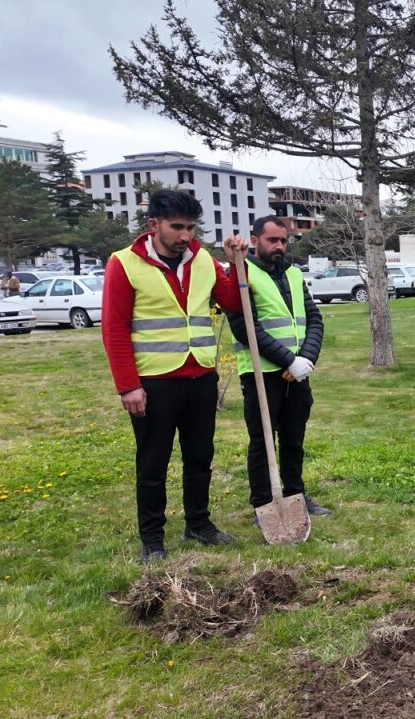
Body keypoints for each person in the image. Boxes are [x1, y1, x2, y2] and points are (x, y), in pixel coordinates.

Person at [101, 189, 251, 564]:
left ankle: (198, 523)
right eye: (177, 227)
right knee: (153, 462)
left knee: (200, 457)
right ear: (153, 225)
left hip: (200, 376)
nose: (186, 235)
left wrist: (236, 264)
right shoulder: (123, 264)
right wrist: (128, 386)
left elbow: (231, 302)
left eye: (191, 227)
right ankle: (152, 539)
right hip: (154, 382)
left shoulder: (203, 260)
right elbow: (114, 329)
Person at [226, 217, 331, 527]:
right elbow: (244, 327)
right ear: (256, 240)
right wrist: (287, 359)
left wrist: (306, 358)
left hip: (297, 373)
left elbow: (314, 320)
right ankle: (263, 504)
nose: (279, 246)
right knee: (262, 441)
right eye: (272, 240)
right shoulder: (244, 274)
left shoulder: (295, 274)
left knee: (294, 438)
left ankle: (295, 494)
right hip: (262, 373)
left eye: (284, 241)